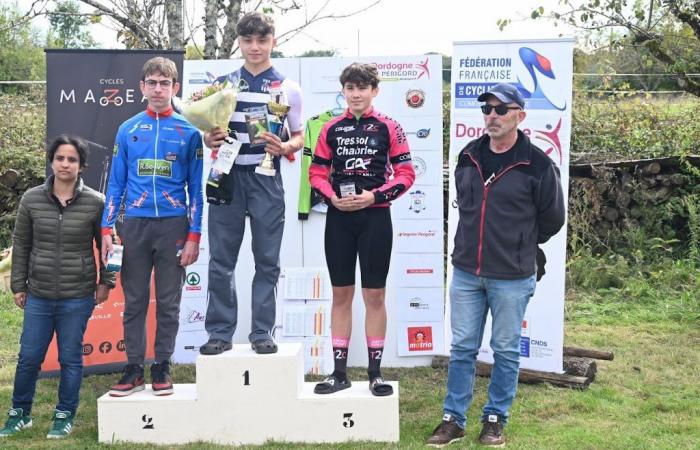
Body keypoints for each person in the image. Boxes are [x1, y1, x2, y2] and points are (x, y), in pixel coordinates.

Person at [427, 83, 565, 447]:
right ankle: (452, 419)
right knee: (462, 349)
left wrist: (518, 244)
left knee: (505, 350)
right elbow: (466, 205)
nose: (492, 116)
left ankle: (494, 419)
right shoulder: (468, 155)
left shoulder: (538, 164)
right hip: (465, 272)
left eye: (500, 110)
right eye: (487, 109)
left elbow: (552, 219)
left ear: (520, 115)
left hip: (512, 275)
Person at [199, 12, 303, 356]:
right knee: (220, 261)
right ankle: (219, 332)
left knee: (267, 261)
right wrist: (209, 137)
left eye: (262, 40)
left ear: (274, 41)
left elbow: (299, 134)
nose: (255, 47)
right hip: (226, 177)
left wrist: (286, 146)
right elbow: (208, 132)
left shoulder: (288, 87)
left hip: (266, 180)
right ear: (240, 43)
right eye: (248, 41)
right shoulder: (224, 84)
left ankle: (262, 332)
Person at [309, 63, 415, 396]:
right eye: (350, 88)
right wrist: (331, 199)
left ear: (374, 91)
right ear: (342, 91)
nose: (356, 94)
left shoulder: (389, 126)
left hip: (375, 218)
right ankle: (339, 373)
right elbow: (315, 174)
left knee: (374, 295)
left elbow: (406, 174)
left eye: (362, 88)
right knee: (341, 294)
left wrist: (375, 195)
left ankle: (375, 373)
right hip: (339, 219)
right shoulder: (329, 128)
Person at [101, 57, 203, 397]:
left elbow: (196, 191)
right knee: (134, 301)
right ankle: (133, 368)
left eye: (165, 83)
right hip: (135, 227)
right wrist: (106, 229)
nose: (158, 89)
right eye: (152, 83)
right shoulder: (127, 129)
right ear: (142, 87)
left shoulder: (189, 132)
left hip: (174, 227)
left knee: (170, 302)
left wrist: (194, 236)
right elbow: (114, 185)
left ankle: (162, 364)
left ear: (175, 88)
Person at [1, 135, 115, 439]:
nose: (65, 164)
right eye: (60, 158)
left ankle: (64, 415)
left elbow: (107, 246)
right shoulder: (31, 198)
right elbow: (21, 243)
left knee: (70, 357)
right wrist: (18, 284)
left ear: (82, 166)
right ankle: (19, 414)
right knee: (28, 357)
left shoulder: (96, 201)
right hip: (37, 293)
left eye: (72, 160)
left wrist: (106, 283)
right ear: (52, 161)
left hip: (77, 296)